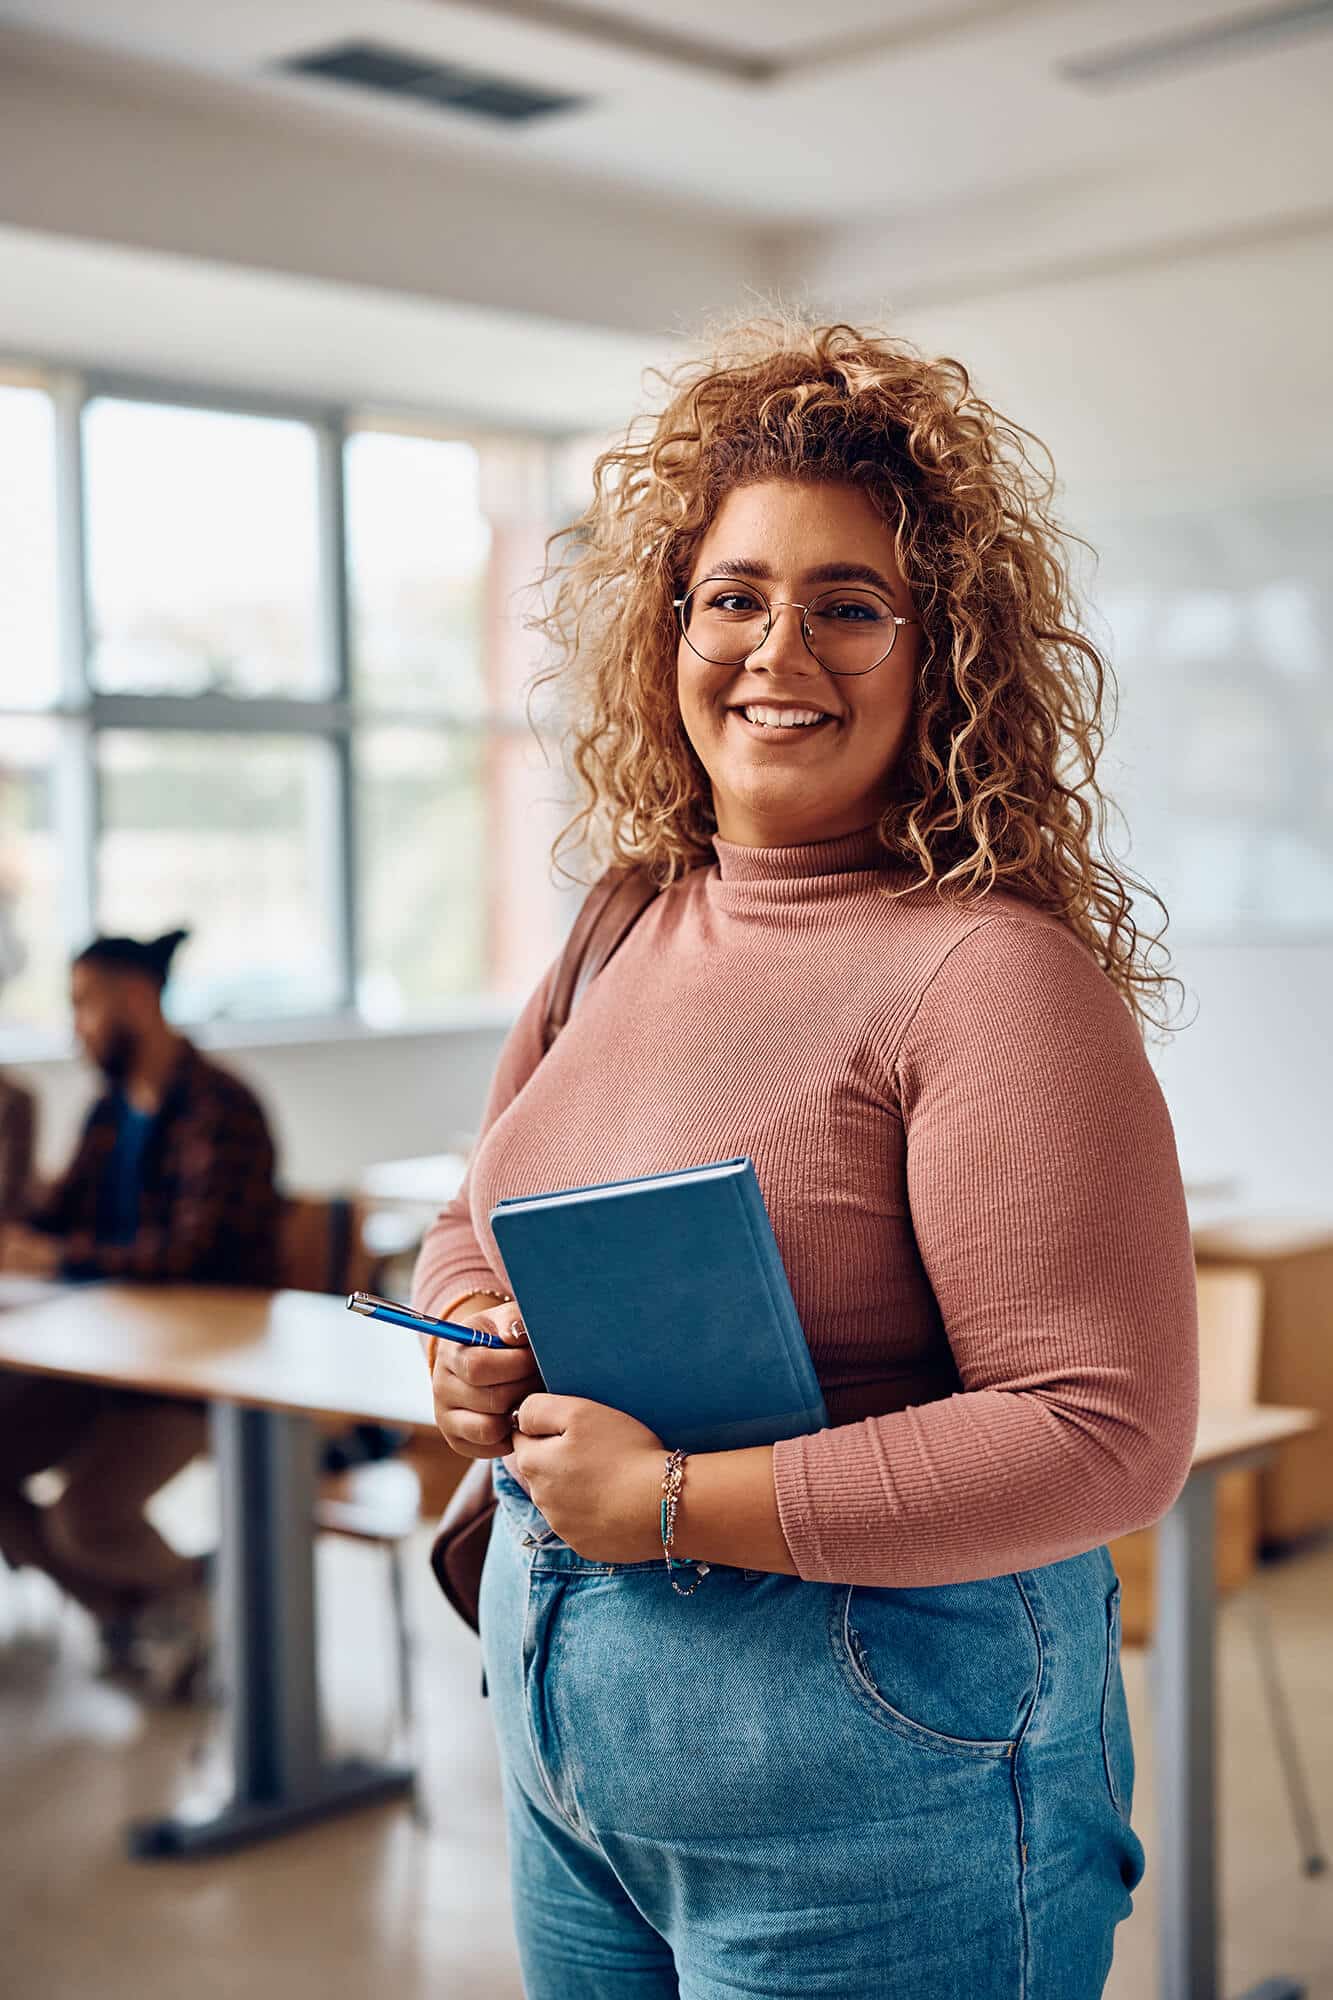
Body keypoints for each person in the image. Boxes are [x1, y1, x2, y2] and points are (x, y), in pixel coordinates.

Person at [412, 319, 1198, 2000]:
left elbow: (1104, 1435)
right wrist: (473, 1328)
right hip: (573, 1758)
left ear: (941, 657)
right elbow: (468, 1216)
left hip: (877, 1800)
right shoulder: (622, 919)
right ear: (669, 626)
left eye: (848, 604)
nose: (779, 649)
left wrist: (674, 1501)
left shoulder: (983, 973)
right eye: (733, 595)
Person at [0, 927, 283, 1691]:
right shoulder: (108, 1111)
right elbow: (55, 1216)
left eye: (85, 1006)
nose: (77, 1028)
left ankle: (192, 1594)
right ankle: (132, 1612)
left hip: (196, 1374)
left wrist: (60, 1257)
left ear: (134, 998)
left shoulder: (220, 1109)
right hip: (101, 1361)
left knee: (85, 1518)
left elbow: (190, 1254)